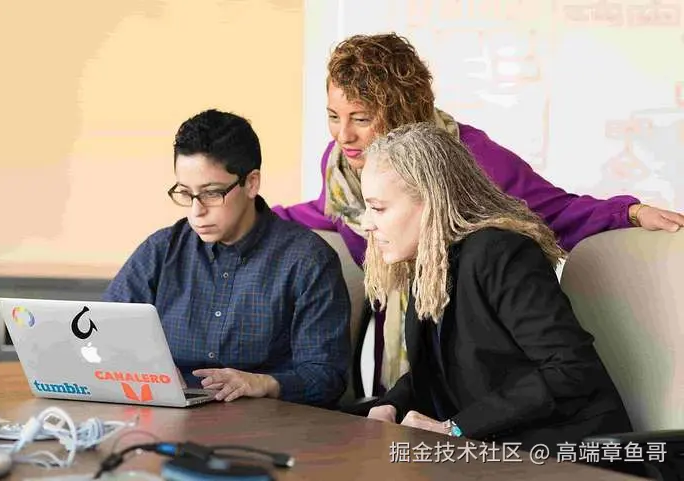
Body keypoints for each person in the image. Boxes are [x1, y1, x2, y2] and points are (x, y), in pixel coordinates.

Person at [271, 32, 684, 392]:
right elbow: (329, 212)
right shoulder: (342, 167)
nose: (344, 135)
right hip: (409, 360)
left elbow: (556, 211)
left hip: (477, 364)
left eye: (360, 118)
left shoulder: (471, 158)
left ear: (400, 111)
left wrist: (629, 214)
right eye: (333, 117)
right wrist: (257, 217)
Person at [362, 122, 633, 455]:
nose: (365, 223)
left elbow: (570, 369)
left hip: (569, 453)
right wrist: (390, 405)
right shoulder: (431, 261)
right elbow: (441, 370)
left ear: (432, 201)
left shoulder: (501, 252)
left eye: (378, 208)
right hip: (496, 451)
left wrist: (456, 429)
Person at [103, 109, 351, 408]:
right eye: (186, 194)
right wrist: (148, 372)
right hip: (167, 417)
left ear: (251, 183)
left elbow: (327, 378)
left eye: (211, 193)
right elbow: (104, 335)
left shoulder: (307, 260)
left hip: (267, 423)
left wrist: (262, 383)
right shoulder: (161, 250)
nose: (196, 211)